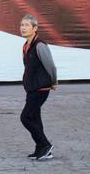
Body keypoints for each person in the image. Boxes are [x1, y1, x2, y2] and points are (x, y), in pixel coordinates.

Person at [19, 13, 57, 162]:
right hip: (31, 89)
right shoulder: (25, 46)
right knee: (35, 119)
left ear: (35, 28)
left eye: (26, 25)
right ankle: (40, 149)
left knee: (25, 117)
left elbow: (51, 65)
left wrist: (54, 82)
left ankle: (46, 145)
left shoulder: (40, 45)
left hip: (41, 89)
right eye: (22, 25)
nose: (23, 28)